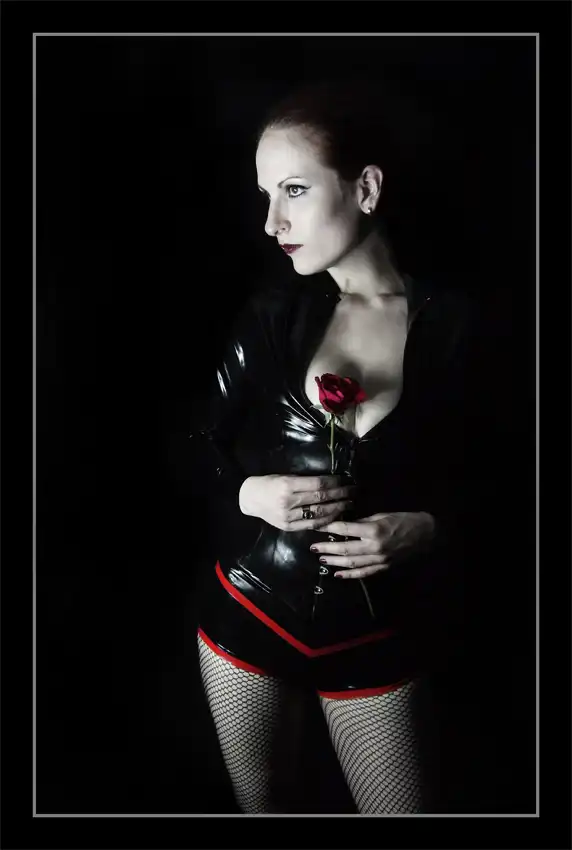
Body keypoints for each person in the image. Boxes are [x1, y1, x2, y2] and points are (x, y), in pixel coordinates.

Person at [188, 78, 511, 814]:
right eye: (266, 195)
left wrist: (431, 528)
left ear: (365, 188)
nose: (272, 221)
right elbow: (197, 443)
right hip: (249, 613)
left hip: (378, 638)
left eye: (295, 190)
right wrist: (250, 492)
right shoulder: (273, 315)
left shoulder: (460, 327)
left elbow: (512, 476)